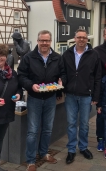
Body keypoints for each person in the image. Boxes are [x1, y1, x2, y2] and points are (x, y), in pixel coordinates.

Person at [18, 30, 66, 171]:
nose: (44, 43)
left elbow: (63, 73)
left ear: (50, 41)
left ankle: (44, 153)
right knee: (32, 131)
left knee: (47, 129)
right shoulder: (28, 57)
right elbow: (21, 76)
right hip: (34, 98)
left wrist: (62, 83)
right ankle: (31, 161)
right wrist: (30, 85)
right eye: (42, 40)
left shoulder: (57, 57)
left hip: (50, 98)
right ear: (38, 41)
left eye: (47, 40)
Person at [62, 29, 101, 164]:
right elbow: (63, 73)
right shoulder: (66, 54)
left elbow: (97, 77)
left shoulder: (94, 55)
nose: (81, 40)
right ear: (75, 38)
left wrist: (96, 95)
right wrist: (62, 84)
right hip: (71, 95)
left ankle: (83, 147)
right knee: (71, 123)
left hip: (86, 95)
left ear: (87, 40)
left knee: (84, 124)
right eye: (79, 37)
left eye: (84, 38)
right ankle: (71, 150)